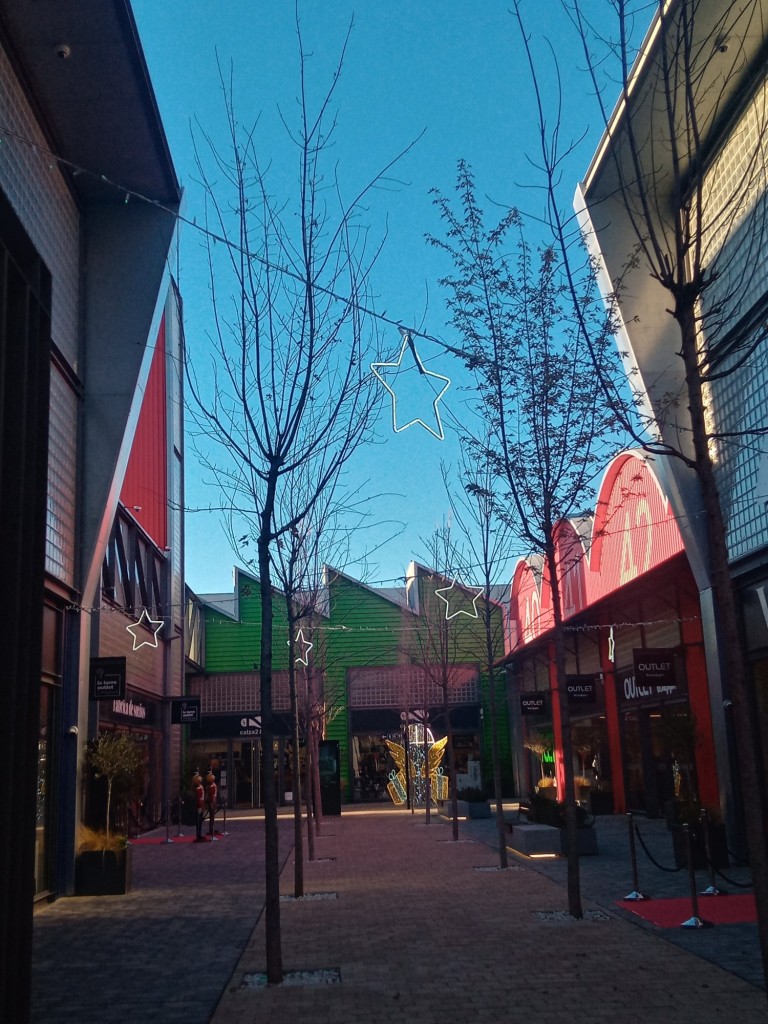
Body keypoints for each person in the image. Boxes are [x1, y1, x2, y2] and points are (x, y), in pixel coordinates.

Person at [193, 772, 205, 842]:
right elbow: (199, 798)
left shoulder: (200, 787)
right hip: (199, 805)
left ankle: (199, 835)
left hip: (200, 804)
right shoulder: (199, 788)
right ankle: (198, 835)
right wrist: (200, 806)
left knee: (200, 821)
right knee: (199, 821)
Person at [206, 770, 218, 838]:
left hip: (213, 801)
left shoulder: (213, 785)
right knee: (211, 816)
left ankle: (212, 828)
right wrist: (212, 802)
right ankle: (211, 829)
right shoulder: (211, 786)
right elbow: (211, 795)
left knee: (212, 816)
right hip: (212, 802)